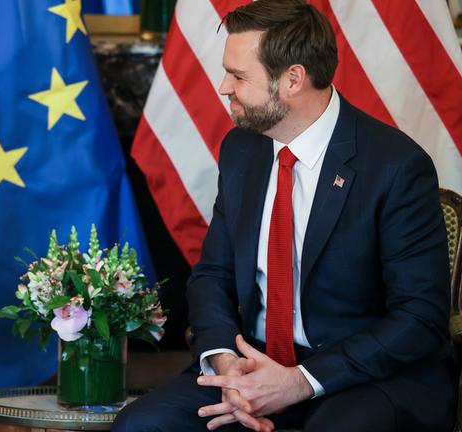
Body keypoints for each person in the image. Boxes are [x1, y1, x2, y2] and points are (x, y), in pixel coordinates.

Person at [113, 0, 455, 431]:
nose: (223, 87)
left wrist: (300, 382)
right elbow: (212, 275)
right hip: (252, 363)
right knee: (140, 426)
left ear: (293, 78)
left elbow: (419, 318)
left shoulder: (395, 166)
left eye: (238, 76)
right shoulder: (242, 150)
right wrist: (226, 361)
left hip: (365, 375)